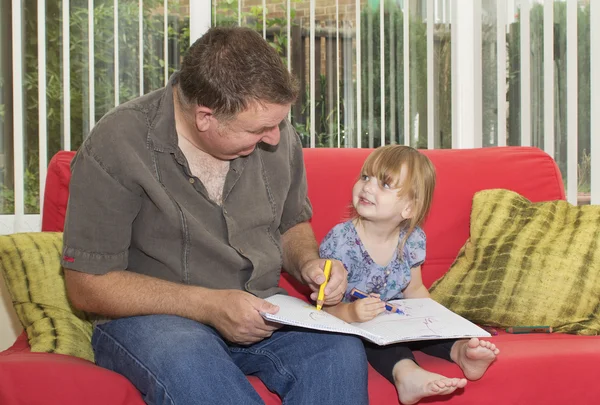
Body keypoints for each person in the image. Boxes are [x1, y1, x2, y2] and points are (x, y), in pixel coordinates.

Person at [61, 26, 368, 405]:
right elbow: (86, 284)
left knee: (338, 351)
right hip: (155, 321)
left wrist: (308, 262)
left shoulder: (276, 133)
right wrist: (209, 305)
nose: (274, 137)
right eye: (259, 129)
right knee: (193, 364)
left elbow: (291, 224)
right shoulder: (117, 142)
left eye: (277, 124)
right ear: (204, 116)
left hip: (263, 308)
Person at [319, 145, 500, 405]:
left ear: (408, 209)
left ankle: (461, 352)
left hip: (394, 316)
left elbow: (414, 290)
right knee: (377, 338)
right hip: (352, 323)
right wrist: (352, 313)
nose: (368, 187)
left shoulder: (412, 239)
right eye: (365, 177)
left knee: (421, 325)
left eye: (385, 184)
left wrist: (438, 320)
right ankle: (407, 375)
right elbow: (323, 308)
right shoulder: (340, 242)